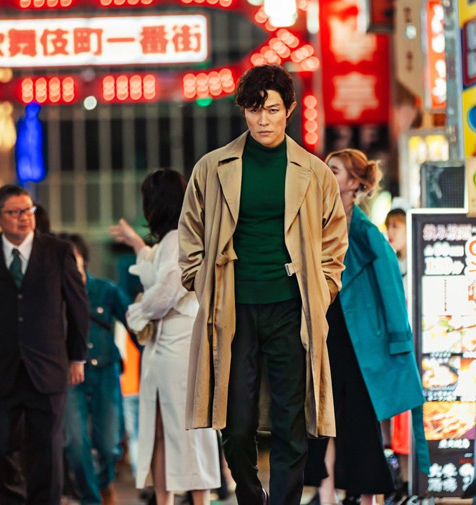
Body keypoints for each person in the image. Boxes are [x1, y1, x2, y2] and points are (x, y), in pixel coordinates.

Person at [178, 64, 349, 505]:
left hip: (292, 309)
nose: (263, 120)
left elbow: (335, 241)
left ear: (289, 109)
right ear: (243, 112)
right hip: (231, 311)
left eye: (272, 109)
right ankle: (252, 497)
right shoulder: (213, 168)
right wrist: (202, 285)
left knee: (293, 422)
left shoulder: (314, 172)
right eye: (254, 110)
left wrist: (323, 288)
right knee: (234, 425)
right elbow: (191, 234)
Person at [302, 150, 429, 505]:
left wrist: (398, 344)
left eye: (335, 170)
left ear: (354, 183)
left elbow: (392, 292)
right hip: (324, 338)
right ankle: (325, 495)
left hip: (361, 347)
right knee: (319, 423)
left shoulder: (367, 234)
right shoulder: (317, 225)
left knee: (360, 426)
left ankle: (368, 498)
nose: (326, 174)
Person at [0, 185, 89, 505]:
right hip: (0, 370)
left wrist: (77, 357)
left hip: (47, 369)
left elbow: (77, 308)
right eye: (15, 212)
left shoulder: (58, 252)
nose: (24, 218)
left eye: (28, 211)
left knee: (46, 453)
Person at [111, 169, 221, 505]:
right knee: (161, 431)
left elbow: (166, 291)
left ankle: (196, 500)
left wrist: (136, 312)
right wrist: (136, 244)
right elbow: (157, 274)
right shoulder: (172, 240)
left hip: (178, 344)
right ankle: (166, 500)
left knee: (188, 431)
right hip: (164, 346)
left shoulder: (182, 238)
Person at [59, 232, 133, 505]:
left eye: (72, 260)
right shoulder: (52, 295)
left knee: (109, 444)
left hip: (105, 372)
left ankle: (104, 483)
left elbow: (135, 323)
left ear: (83, 262)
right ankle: (91, 499)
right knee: (75, 443)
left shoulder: (105, 290)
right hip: (69, 377)